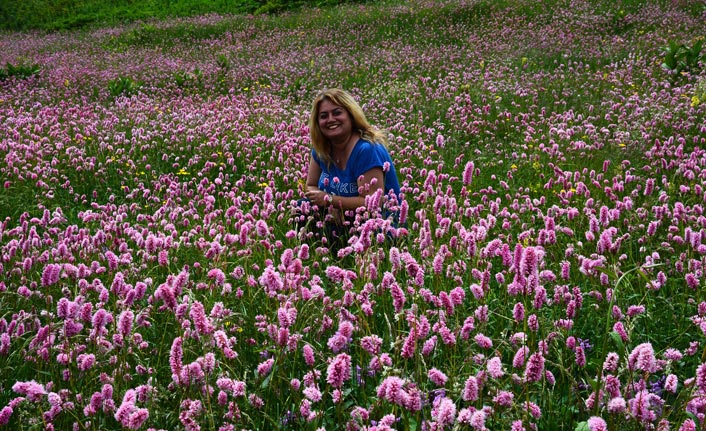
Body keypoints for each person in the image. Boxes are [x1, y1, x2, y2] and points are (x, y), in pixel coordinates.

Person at [296, 88, 401, 245]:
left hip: (377, 222)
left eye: (337, 112)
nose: (330, 119)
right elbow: (310, 185)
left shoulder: (367, 149)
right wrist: (330, 205)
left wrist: (331, 200)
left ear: (351, 116)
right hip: (341, 216)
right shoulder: (322, 149)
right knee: (301, 207)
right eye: (323, 116)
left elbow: (373, 203)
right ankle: (313, 253)